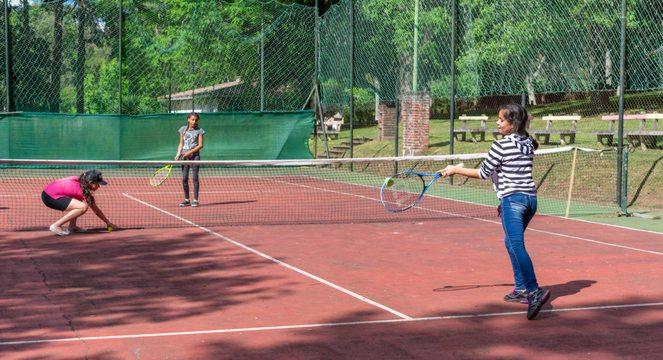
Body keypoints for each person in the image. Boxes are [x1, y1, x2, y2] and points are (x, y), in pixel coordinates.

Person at [439, 104, 550, 320]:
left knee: (516, 245)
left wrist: (455, 169)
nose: (497, 123)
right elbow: (507, 171)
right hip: (530, 200)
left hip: (514, 201)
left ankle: (534, 289)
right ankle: (521, 288)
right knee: (510, 243)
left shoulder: (501, 145)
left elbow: (483, 173)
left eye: (501, 120)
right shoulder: (528, 143)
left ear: (513, 123)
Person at [41, 169, 116, 236]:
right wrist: (107, 222)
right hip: (50, 197)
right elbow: (95, 209)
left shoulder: (80, 180)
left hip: (48, 192)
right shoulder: (81, 190)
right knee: (82, 207)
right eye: (97, 184)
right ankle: (56, 225)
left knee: (78, 201)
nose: (99, 187)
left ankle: (72, 226)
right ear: (90, 183)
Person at [176, 112, 205, 207]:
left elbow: (200, 145)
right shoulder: (183, 130)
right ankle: (187, 199)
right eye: (192, 119)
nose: (194, 121)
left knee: (195, 178)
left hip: (195, 157)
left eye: (196, 120)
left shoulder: (199, 130)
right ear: (188, 119)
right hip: (184, 157)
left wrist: (190, 152)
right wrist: (178, 153)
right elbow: (181, 143)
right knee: (184, 178)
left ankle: (195, 200)